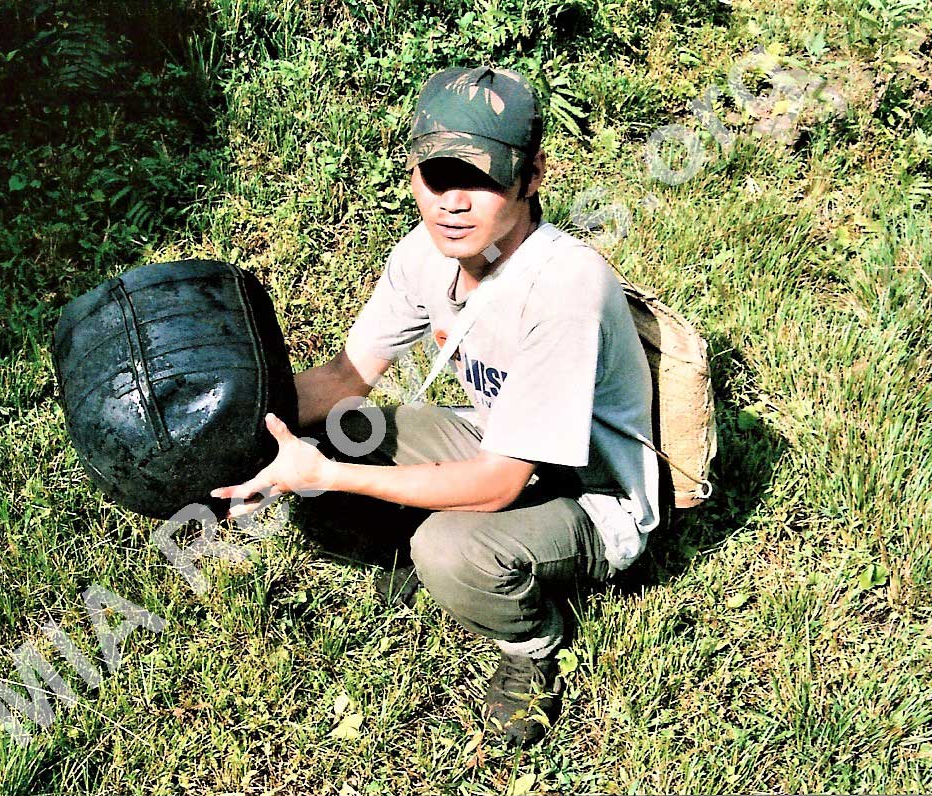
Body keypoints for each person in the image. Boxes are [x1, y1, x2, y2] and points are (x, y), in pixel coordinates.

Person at [211, 65, 661, 746]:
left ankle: (531, 643)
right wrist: (235, 425)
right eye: (436, 174)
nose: (453, 202)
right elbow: (342, 378)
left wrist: (328, 477)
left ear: (533, 175)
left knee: (448, 547)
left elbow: (498, 483)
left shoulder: (563, 289)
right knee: (347, 431)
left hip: (593, 495)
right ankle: (413, 552)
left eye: (482, 178)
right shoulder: (424, 255)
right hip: (500, 437)